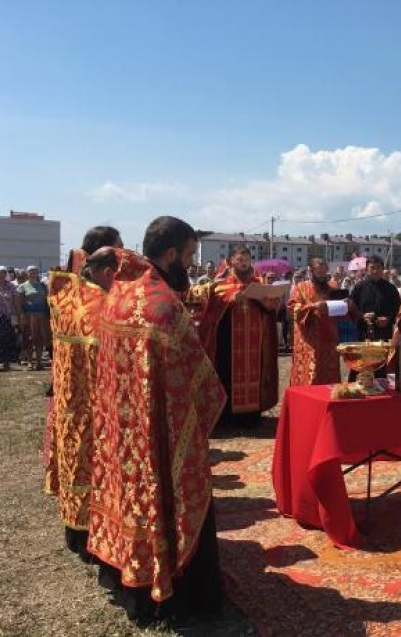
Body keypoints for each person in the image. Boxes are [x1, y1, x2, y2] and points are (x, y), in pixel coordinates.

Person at [87, 217, 226, 622]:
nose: (191, 263)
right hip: (158, 432)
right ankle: (181, 592)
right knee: (168, 494)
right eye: (188, 255)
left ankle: (126, 573)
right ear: (170, 254)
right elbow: (201, 386)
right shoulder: (162, 304)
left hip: (122, 431)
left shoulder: (120, 292)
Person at [45, 247, 118, 562]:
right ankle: (90, 536)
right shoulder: (99, 306)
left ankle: (74, 533)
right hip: (91, 404)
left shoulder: (65, 298)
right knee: (90, 466)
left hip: (66, 402)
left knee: (74, 465)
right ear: (106, 273)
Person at [189, 245, 279, 427]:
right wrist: (230, 300)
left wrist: (265, 299)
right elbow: (210, 308)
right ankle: (227, 417)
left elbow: (271, 307)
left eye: (247, 259)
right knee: (226, 374)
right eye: (240, 259)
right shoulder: (220, 285)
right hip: (229, 343)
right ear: (231, 262)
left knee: (256, 374)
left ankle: (252, 416)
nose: (244, 263)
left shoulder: (259, 284)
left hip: (256, 343)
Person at [287, 257, 343, 386]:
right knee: (311, 374)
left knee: (330, 374)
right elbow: (293, 309)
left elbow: (341, 311)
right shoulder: (301, 287)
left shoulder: (332, 288)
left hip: (329, 339)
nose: (323, 276)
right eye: (319, 273)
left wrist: (346, 304)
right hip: (309, 340)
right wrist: (314, 306)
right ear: (311, 271)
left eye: (325, 272)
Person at [349, 255, 401, 343]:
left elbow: (398, 308)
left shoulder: (391, 288)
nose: (375, 271)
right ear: (366, 269)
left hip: (384, 333)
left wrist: (388, 319)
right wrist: (362, 316)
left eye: (378, 268)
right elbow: (352, 308)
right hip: (363, 332)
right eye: (372, 268)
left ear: (383, 269)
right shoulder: (359, 287)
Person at [16, 265, 49, 370]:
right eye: (30, 272)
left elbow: (47, 300)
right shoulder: (22, 286)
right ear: (27, 273)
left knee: (39, 339)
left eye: (35, 272)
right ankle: (30, 362)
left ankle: (39, 362)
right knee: (28, 339)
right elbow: (19, 303)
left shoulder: (43, 286)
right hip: (29, 315)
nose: (33, 274)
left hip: (42, 316)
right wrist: (21, 315)